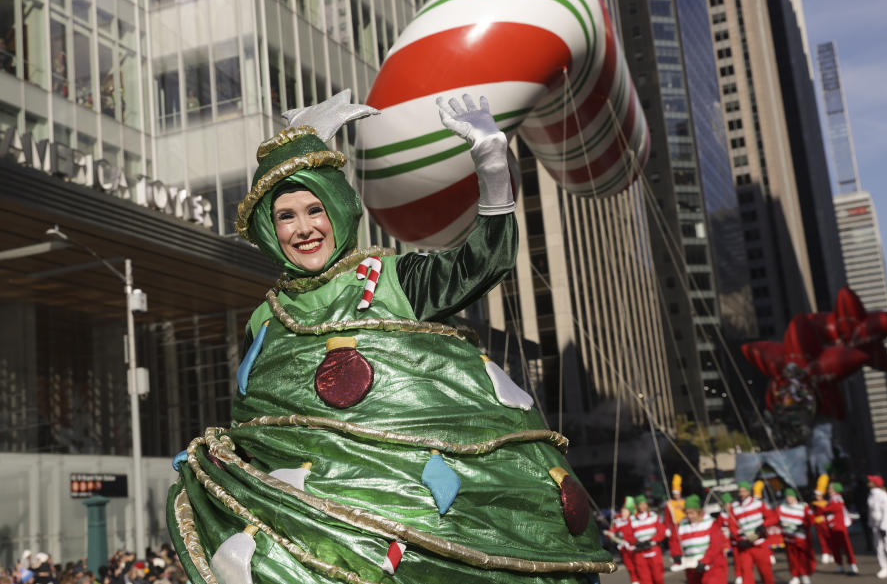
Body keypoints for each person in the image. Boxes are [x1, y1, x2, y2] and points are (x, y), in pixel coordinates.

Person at [165, 92, 614, 584]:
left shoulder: (391, 279)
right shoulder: (264, 318)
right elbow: (263, 427)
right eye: (286, 217)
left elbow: (483, 263)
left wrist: (490, 162)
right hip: (323, 537)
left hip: (429, 530)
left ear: (338, 209)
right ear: (271, 231)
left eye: (314, 209)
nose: (304, 229)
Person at [668, 495, 728, 584]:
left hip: (712, 566)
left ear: (698, 511)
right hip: (692, 566)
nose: (689, 516)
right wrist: (676, 554)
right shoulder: (681, 524)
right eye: (687, 513)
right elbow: (674, 541)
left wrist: (705, 561)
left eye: (692, 513)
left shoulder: (711, 523)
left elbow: (716, 546)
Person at [729, 481, 778, 584]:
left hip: (760, 544)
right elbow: (732, 526)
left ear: (749, 492)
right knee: (746, 573)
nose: (742, 493)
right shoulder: (734, 507)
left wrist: (763, 525)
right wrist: (739, 539)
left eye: (744, 491)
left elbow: (773, 517)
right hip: (745, 546)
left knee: (766, 573)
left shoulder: (758, 503)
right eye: (740, 491)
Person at [777, 488, 816, 584]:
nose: (788, 498)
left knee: (803, 557)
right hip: (788, 538)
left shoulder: (803, 506)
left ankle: (805, 575)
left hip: (801, 537)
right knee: (792, 558)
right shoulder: (781, 507)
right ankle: (795, 576)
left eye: (790, 496)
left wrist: (804, 525)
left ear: (794, 497)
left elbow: (811, 519)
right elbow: (775, 518)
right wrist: (779, 523)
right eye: (787, 497)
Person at [821, 482, 858, 574]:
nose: (828, 489)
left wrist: (821, 507)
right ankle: (839, 565)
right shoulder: (831, 499)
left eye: (830, 488)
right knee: (835, 547)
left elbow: (833, 508)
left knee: (846, 547)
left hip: (839, 527)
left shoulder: (837, 498)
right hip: (832, 527)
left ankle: (852, 565)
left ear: (835, 489)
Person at [630, 495, 666, 584]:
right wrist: (635, 542)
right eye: (640, 505)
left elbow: (661, 531)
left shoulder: (654, 516)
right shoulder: (632, 519)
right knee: (644, 579)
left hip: (653, 549)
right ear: (637, 506)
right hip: (640, 552)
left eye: (644, 504)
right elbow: (628, 534)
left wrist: (652, 540)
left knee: (658, 578)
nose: (642, 507)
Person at [607, 497, 640, 584]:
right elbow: (613, 531)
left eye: (626, 510)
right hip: (624, 548)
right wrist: (610, 533)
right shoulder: (618, 521)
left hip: (635, 546)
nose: (624, 512)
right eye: (623, 511)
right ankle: (634, 580)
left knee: (639, 565)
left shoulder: (633, 520)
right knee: (629, 566)